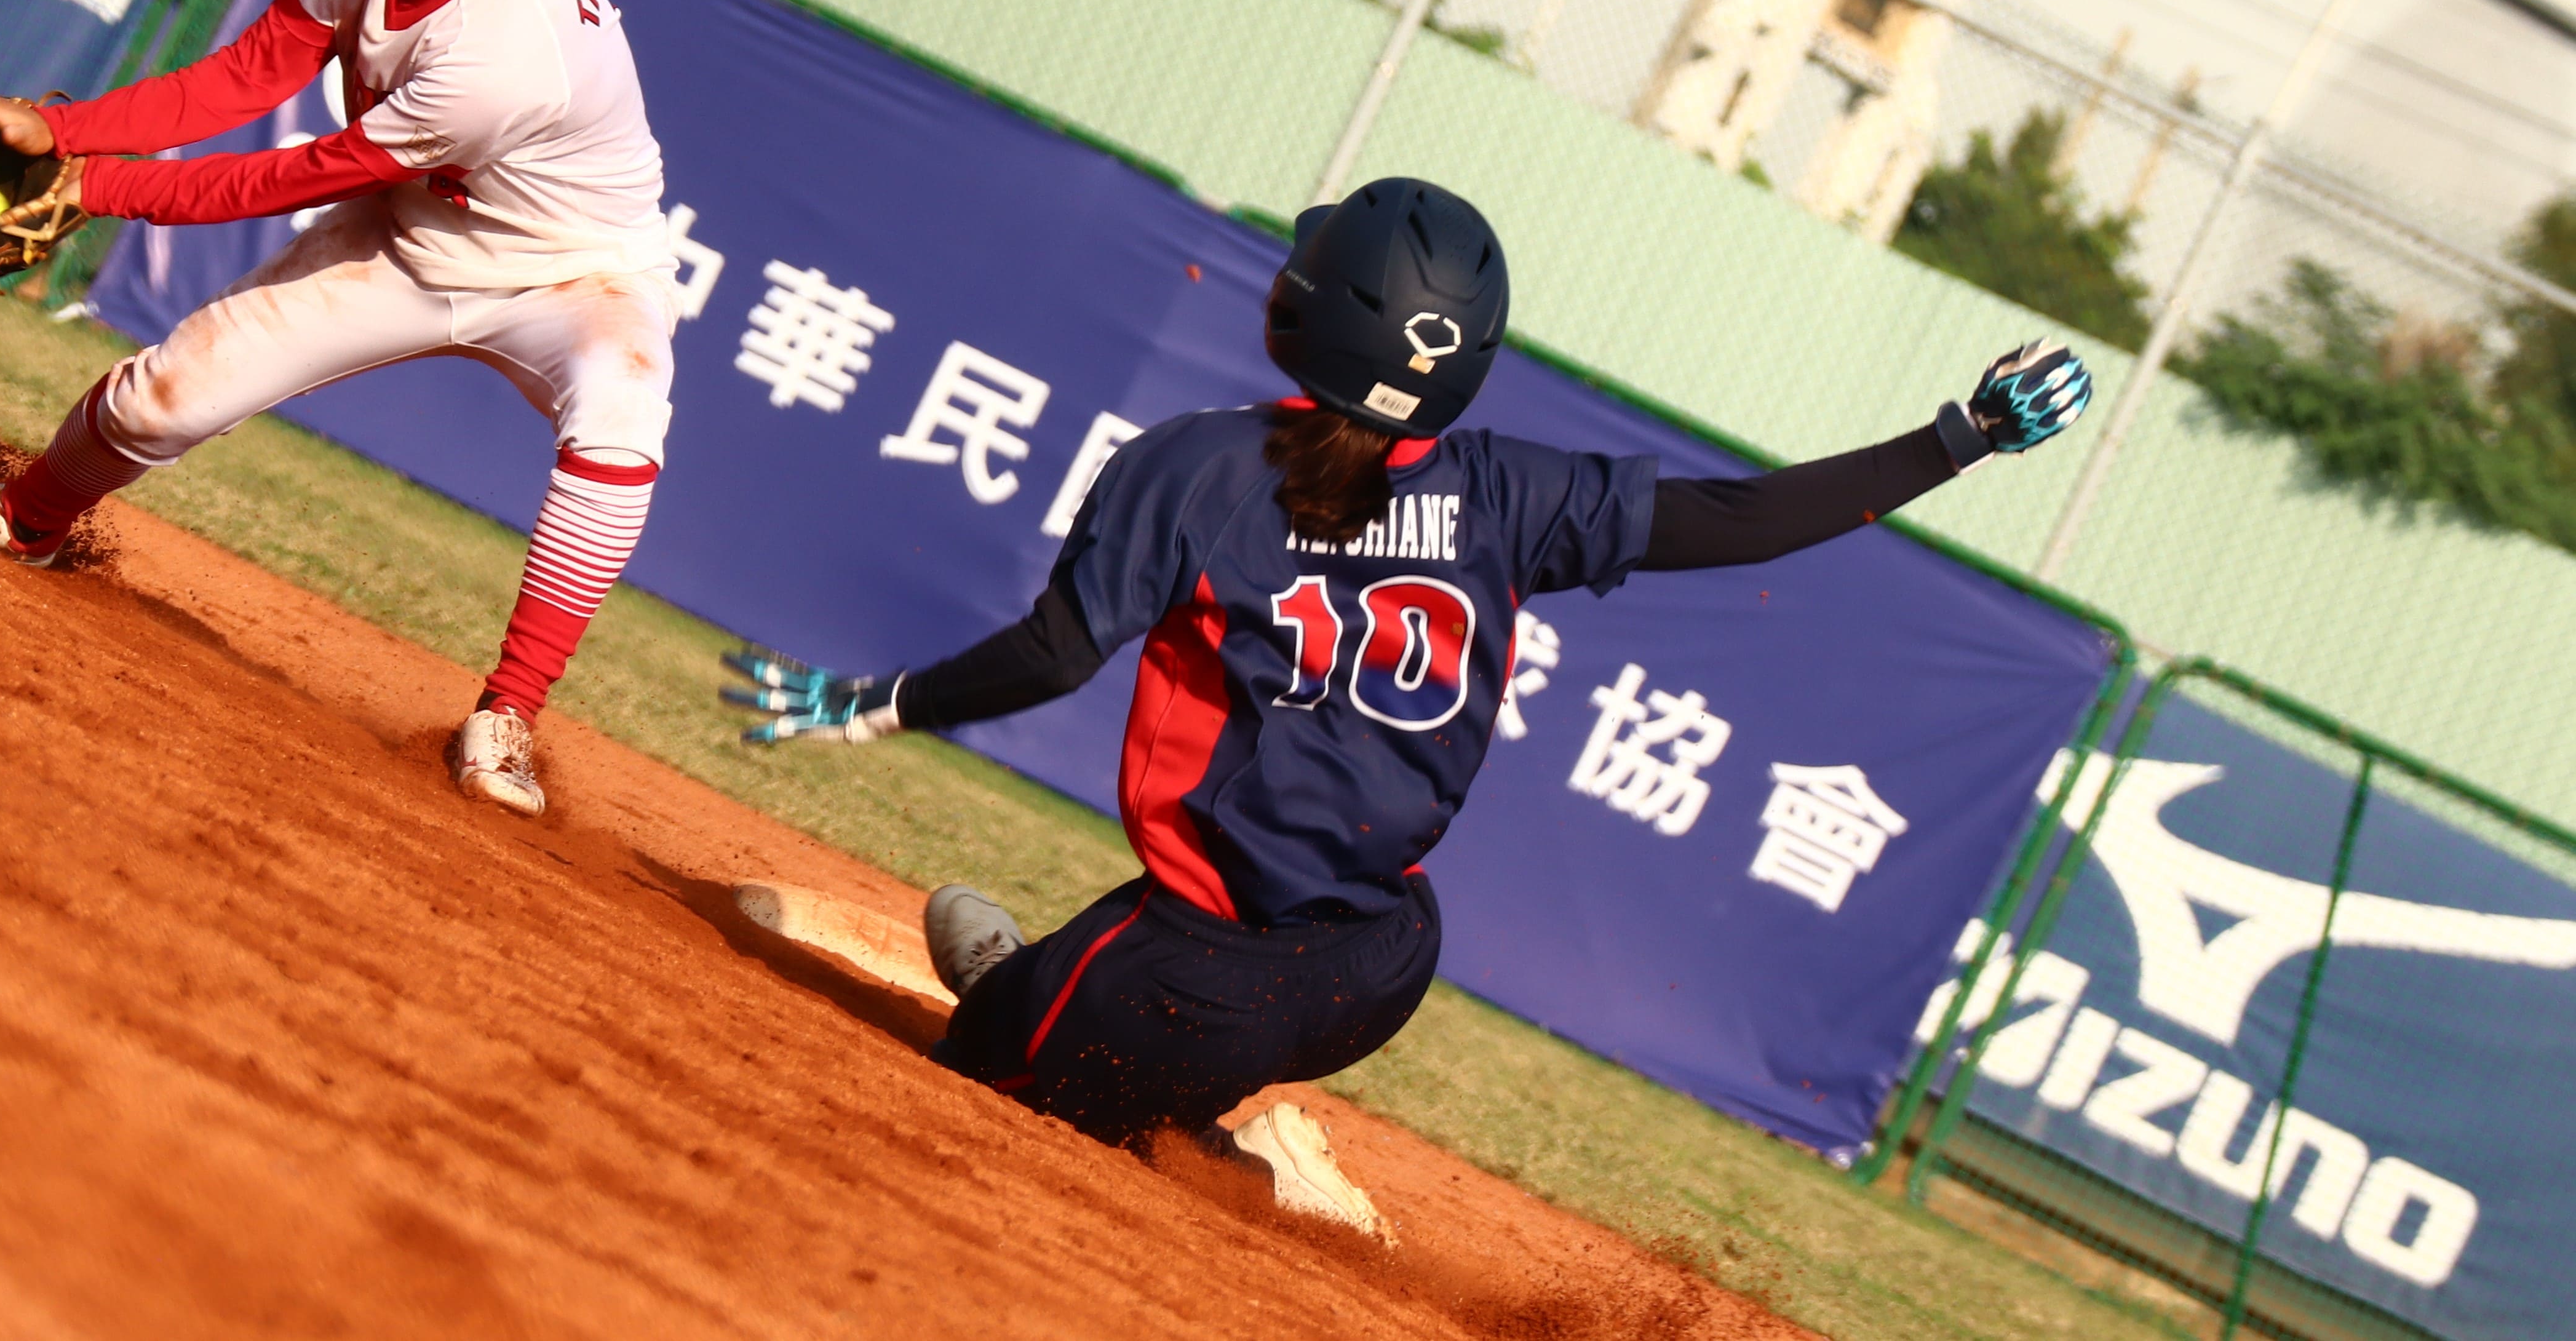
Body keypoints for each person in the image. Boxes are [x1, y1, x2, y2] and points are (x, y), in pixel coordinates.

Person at [722, 176, 2089, 1228]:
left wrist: (878, 697)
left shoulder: (1196, 466)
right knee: (1085, 1015)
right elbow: (1741, 522)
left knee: (973, 1080)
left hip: (1203, 965)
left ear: (1303, 317)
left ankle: (1183, 1112)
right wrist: (1955, 436)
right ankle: (1116, 1041)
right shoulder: (1500, 489)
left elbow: (1051, 656)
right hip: (1382, 957)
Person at [0, 0, 677, 819]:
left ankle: (507, 713)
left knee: (622, 419)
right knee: (167, 399)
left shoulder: (512, 46)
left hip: (573, 273)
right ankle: (27, 523)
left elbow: (292, 177)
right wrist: (61, 134)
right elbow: (247, 76)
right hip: (410, 225)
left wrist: (96, 190)